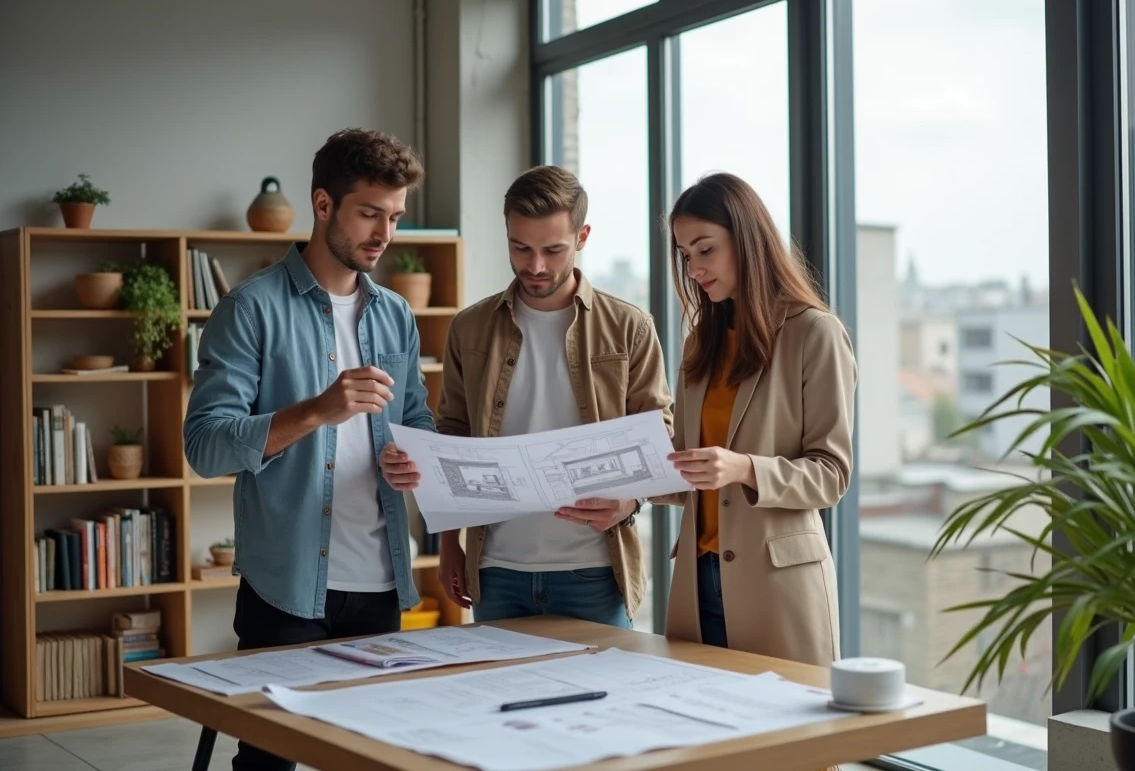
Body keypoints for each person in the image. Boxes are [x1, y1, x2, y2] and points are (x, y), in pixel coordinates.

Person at [184, 128, 433, 771]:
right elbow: (206, 445)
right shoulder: (250, 309)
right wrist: (318, 411)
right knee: (269, 762)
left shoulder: (396, 315)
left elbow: (416, 420)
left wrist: (415, 459)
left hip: (380, 582)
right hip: (286, 588)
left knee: (375, 758)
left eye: (395, 216)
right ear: (324, 205)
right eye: (369, 213)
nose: (384, 233)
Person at [434, 165, 674, 628]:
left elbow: (658, 437)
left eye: (552, 249)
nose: (536, 265)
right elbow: (451, 439)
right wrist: (449, 546)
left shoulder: (629, 327)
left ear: (582, 236)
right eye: (520, 247)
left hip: (594, 571)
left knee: (599, 700)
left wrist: (630, 504)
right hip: (496, 570)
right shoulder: (469, 327)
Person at [664, 172, 857, 670]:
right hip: (696, 579)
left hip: (778, 586)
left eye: (705, 250)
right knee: (699, 737)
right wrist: (624, 476)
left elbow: (831, 475)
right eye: (686, 255)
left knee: (792, 743)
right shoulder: (698, 345)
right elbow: (690, 466)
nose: (694, 268)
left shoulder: (815, 334)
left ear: (747, 240)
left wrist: (746, 468)